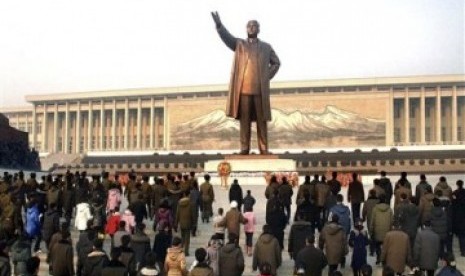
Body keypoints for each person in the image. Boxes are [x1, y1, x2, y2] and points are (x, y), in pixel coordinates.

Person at [211, 11, 280, 154]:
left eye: (254, 26)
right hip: (243, 90)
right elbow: (227, 38)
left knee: (262, 122)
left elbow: (276, 63)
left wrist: (265, 77)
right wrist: (219, 26)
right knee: (245, 122)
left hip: (260, 90)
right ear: (246, 29)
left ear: (259, 29)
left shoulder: (266, 47)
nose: (252, 28)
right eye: (249, 26)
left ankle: (264, 148)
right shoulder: (239, 45)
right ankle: (244, 148)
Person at [369, 194, 393, 264]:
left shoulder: (375, 209)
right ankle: (384, 259)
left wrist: (371, 231)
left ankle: (379, 256)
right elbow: (392, 221)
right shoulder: (389, 209)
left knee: (377, 245)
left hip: (377, 231)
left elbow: (372, 221)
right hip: (387, 232)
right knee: (386, 246)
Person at [175, 190, 193, 256]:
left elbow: (177, 214)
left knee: (182, 237)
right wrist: (194, 223)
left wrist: (176, 223)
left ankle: (181, 249)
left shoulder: (179, 203)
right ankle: (186, 251)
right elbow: (192, 214)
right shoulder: (190, 203)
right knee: (187, 238)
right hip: (188, 223)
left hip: (181, 223)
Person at [451, 180, 465, 256]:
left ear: (457, 184)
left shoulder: (454, 193)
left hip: (458, 217)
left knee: (461, 235)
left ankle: (463, 251)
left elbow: (453, 205)